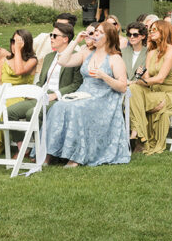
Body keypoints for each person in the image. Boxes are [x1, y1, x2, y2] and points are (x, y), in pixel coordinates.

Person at [45, 21, 130, 167]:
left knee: (77, 109)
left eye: (100, 32)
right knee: (59, 106)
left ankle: (76, 157)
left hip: (103, 98)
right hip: (83, 94)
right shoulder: (86, 53)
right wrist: (75, 41)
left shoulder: (115, 58)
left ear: (108, 37)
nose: (95, 34)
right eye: (95, 31)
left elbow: (122, 86)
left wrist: (105, 76)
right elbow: (63, 61)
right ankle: (50, 154)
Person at [6, 21, 83, 152]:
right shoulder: (49, 57)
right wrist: (34, 91)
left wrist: (56, 95)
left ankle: (41, 150)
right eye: (51, 35)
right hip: (41, 95)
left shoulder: (76, 57)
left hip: (58, 97)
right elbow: (42, 81)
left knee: (32, 113)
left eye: (54, 36)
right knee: (10, 111)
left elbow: (76, 84)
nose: (51, 38)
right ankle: (23, 149)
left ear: (65, 39)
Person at [129, 21, 172, 154]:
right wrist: (139, 78)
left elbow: (160, 78)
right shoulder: (151, 52)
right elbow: (147, 78)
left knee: (133, 93)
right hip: (154, 92)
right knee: (133, 90)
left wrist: (138, 82)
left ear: (164, 32)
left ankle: (138, 135)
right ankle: (139, 132)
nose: (151, 32)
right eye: (151, 30)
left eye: (155, 30)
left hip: (170, 94)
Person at [0, 29, 38, 107]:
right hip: (3, 94)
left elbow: (19, 71)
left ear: (26, 44)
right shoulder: (4, 60)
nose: (15, 46)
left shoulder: (32, 60)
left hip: (20, 96)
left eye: (18, 43)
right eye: (13, 42)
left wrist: (17, 50)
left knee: (3, 103)